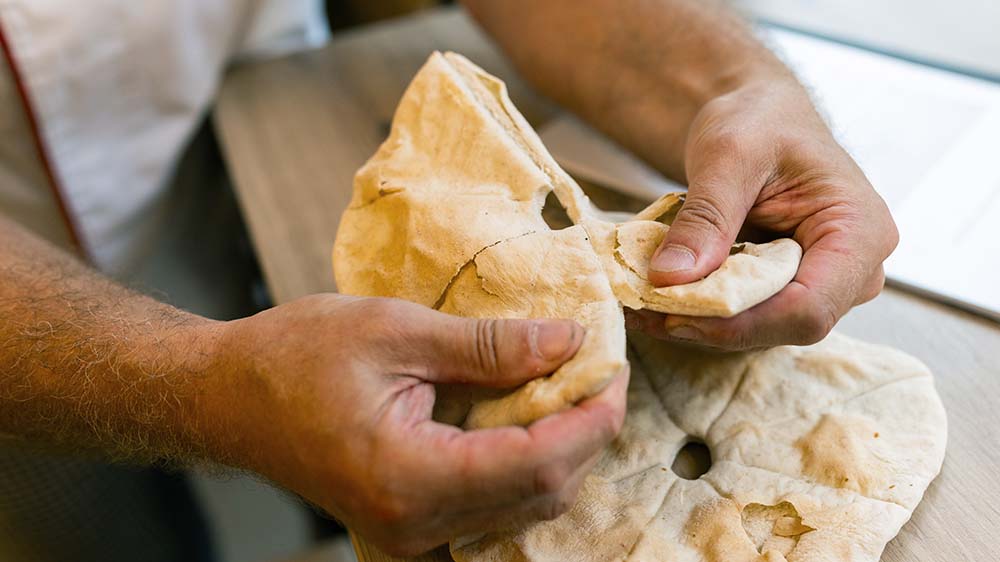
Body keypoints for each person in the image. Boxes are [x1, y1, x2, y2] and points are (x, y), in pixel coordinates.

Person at [0, 0, 898, 558]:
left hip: (249, 113)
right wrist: (202, 387)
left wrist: (742, 82)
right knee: (104, 530)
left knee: (363, 454)